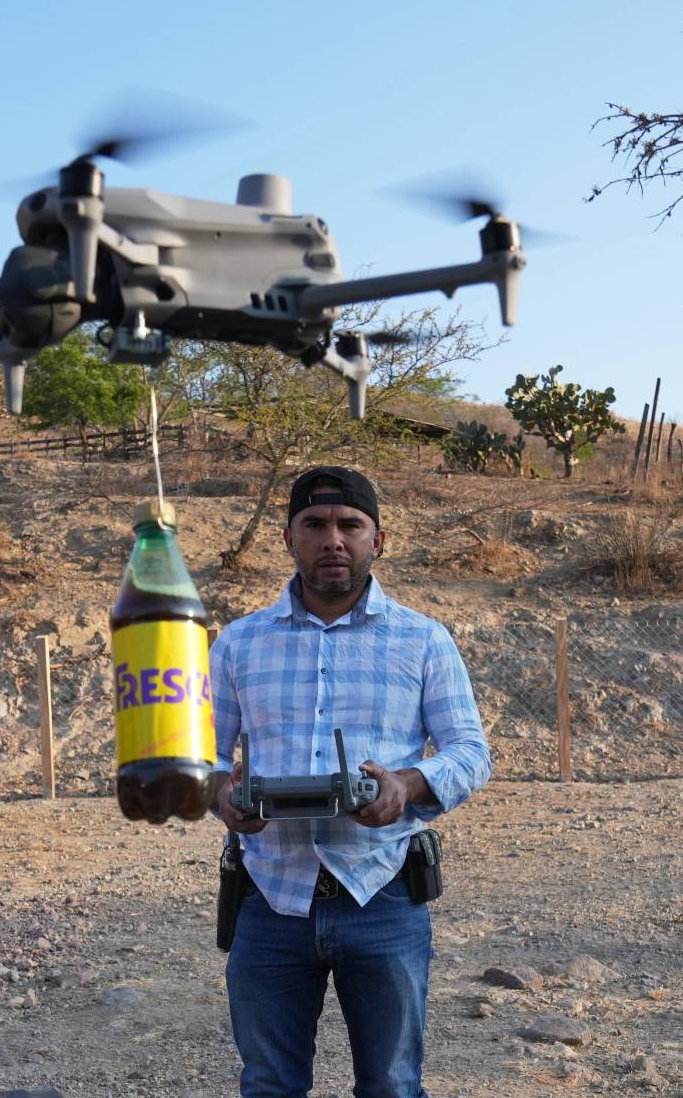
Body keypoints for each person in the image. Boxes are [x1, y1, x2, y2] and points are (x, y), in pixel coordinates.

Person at [209, 465, 492, 1098]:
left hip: (384, 892)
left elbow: (471, 750)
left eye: (349, 525)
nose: (332, 539)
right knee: (268, 1085)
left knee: (392, 1086)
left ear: (378, 540)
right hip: (269, 896)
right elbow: (197, 758)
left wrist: (407, 785)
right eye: (314, 524)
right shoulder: (237, 644)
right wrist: (222, 796)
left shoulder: (423, 640)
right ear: (288, 538)